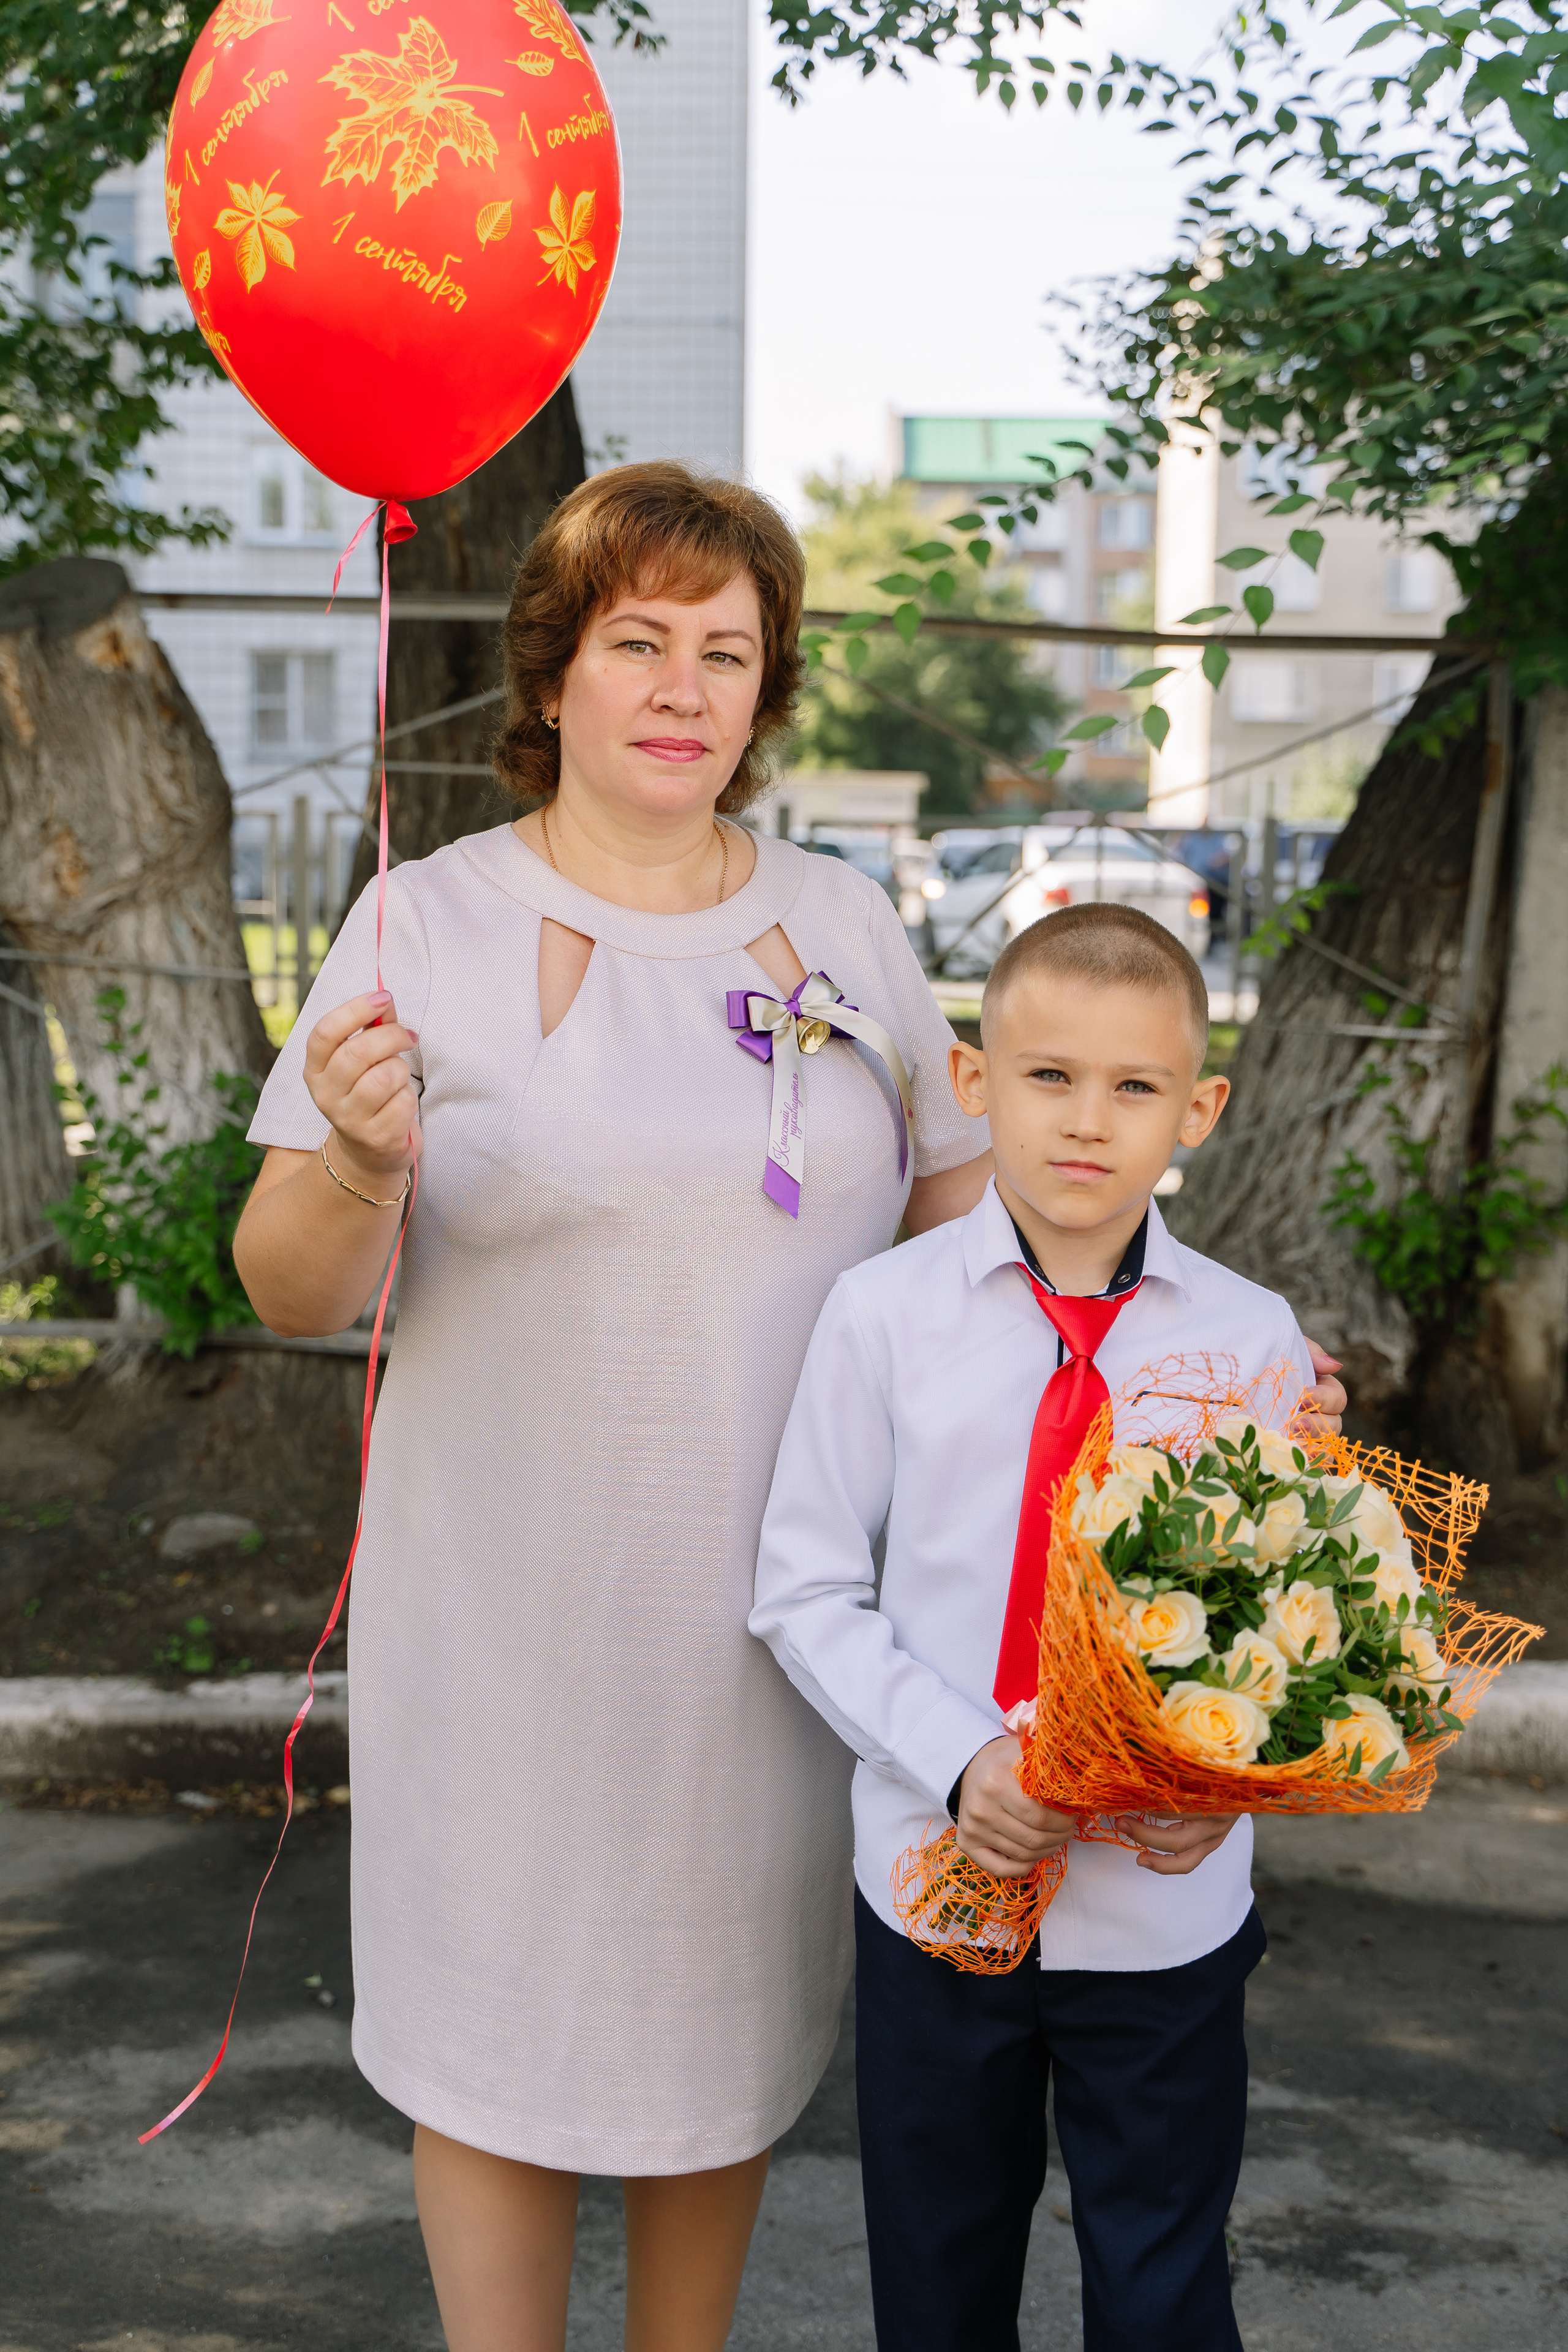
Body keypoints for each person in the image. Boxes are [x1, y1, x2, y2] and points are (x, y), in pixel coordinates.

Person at [232, 461, 1346, 2352]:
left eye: (725, 651)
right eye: (639, 641)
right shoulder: (420, 921)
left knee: (715, 2050)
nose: (682, 686)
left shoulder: (847, 926)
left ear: (767, 691)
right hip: (509, 1616)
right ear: (557, 672)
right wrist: (352, 1156)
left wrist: (1223, 1389)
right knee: (498, 2038)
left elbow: (985, 1269)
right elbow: (287, 1285)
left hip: (800, 1633)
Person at [750, 903, 1320, 2352]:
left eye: (1133, 1088)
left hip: (1163, 1916)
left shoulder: (1251, 1342)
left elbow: (1286, 1626)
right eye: (1046, 1076)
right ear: (969, 1081)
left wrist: (1232, 1778)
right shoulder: (878, 1317)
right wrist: (956, 1764)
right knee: (938, 2293)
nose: (1085, 1122)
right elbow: (806, 1589)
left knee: (1162, 2286)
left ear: (1198, 1109)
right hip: (939, 1894)